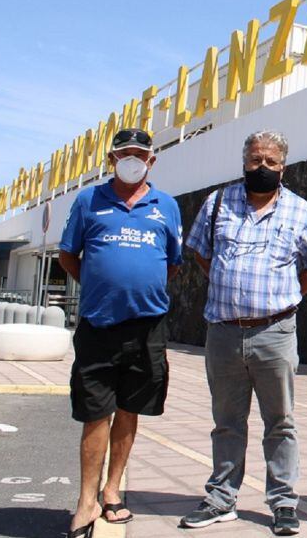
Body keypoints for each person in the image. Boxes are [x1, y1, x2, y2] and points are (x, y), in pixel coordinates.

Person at [181, 130, 307, 536]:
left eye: (269, 161)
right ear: (243, 160)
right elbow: (198, 251)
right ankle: (221, 498)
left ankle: (283, 501)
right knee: (227, 421)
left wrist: (286, 297)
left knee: (280, 421)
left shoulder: (301, 211)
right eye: (254, 160)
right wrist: (224, 282)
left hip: (275, 333)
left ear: (283, 165)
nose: (261, 167)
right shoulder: (216, 204)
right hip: (225, 333)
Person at [58, 128, 183, 538]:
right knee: (95, 414)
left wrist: (136, 288)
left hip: (147, 327)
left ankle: (113, 491)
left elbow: (171, 263)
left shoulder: (166, 205)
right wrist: (101, 285)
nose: (133, 159)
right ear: (112, 159)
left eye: (140, 153)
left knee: (130, 409)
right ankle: (85, 501)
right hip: (98, 324)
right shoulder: (88, 201)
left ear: (152, 160)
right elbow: (67, 256)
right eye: (125, 153)